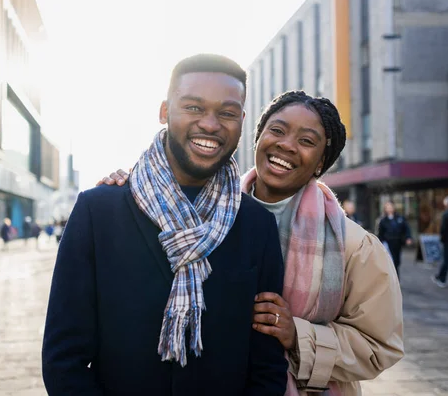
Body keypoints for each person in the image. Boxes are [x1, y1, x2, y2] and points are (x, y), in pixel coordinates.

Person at [101, 90, 404, 395]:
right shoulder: (200, 217)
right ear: (258, 137)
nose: (286, 145)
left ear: (320, 163)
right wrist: (133, 187)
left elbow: (380, 345)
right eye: (277, 130)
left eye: (307, 141)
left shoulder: (354, 246)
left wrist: (298, 336)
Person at [42, 54, 288, 395]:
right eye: (193, 107)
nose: (211, 124)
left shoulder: (257, 224)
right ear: (164, 112)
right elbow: (63, 359)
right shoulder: (98, 212)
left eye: (227, 113)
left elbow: (267, 365)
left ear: (242, 121)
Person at [378, 201, 412, 278]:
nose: (389, 209)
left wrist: (408, 237)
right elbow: (380, 234)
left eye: (390, 207)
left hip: (398, 243)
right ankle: (392, 278)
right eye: (387, 207)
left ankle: (396, 278)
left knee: (397, 261)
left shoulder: (400, 218)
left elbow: (406, 228)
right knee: (390, 261)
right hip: (387, 243)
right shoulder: (383, 220)